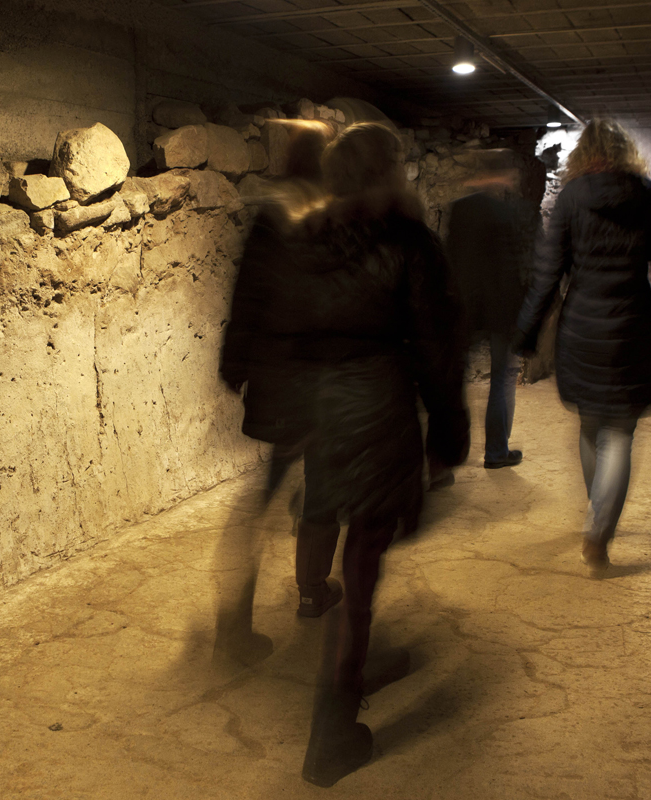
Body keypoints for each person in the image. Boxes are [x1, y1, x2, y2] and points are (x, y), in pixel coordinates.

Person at [279, 122, 467, 787]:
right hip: (380, 418)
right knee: (360, 572)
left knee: (350, 556)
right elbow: (439, 351)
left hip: (329, 419)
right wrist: (448, 436)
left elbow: (289, 338)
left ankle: (355, 669)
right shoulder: (411, 244)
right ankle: (331, 736)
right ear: (388, 173)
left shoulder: (310, 242)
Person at [512, 118, 651, 576]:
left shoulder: (571, 198)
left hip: (582, 327)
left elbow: (548, 273)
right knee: (619, 434)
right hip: (633, 324)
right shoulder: (648, 195)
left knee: (592, 426)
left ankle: (599, 516)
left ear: (581, 154)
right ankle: (599, 528)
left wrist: (528, 332)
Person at [215, 120, 337, 667]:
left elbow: (249, 295)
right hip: (324, 380)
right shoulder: (339, 216)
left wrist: (235, 364)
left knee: (264, 495)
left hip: (278, 378)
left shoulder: (271, 212)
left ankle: (232, 624)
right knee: (324, 487)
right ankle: (311, 591)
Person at [444, 149, 538, 471]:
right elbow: (510, 270)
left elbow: (451, 261)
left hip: (464, 308)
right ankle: (496, 452)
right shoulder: (505, 213)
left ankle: (446, 456)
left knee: (454, 380)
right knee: (502, 379)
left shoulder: (457, 211)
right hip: (499, 311)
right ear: (500, 176)